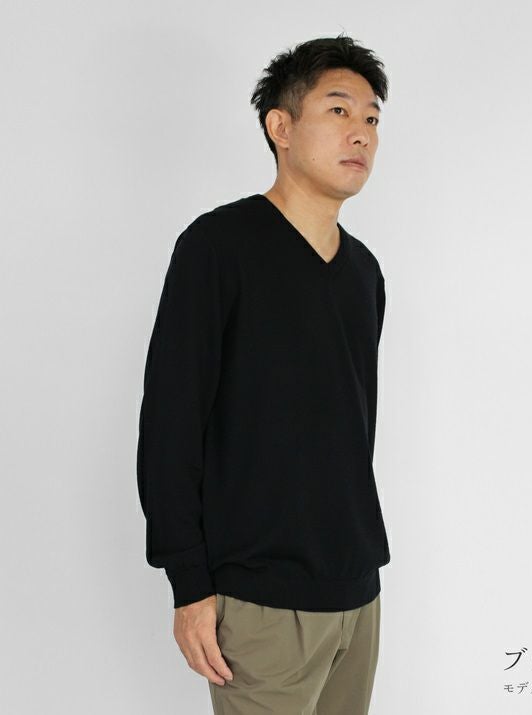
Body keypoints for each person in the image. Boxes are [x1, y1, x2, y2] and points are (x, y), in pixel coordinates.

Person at [136, 34, 391, 714]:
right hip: (260, 602)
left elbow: (348, 431)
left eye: (372, 118)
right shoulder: (219, 246)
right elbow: (171, 421)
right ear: (280, 126)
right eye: (338, 111)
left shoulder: (363, 273)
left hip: (357, 594)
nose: (361, 133)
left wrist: (360, 577)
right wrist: (189, 583)